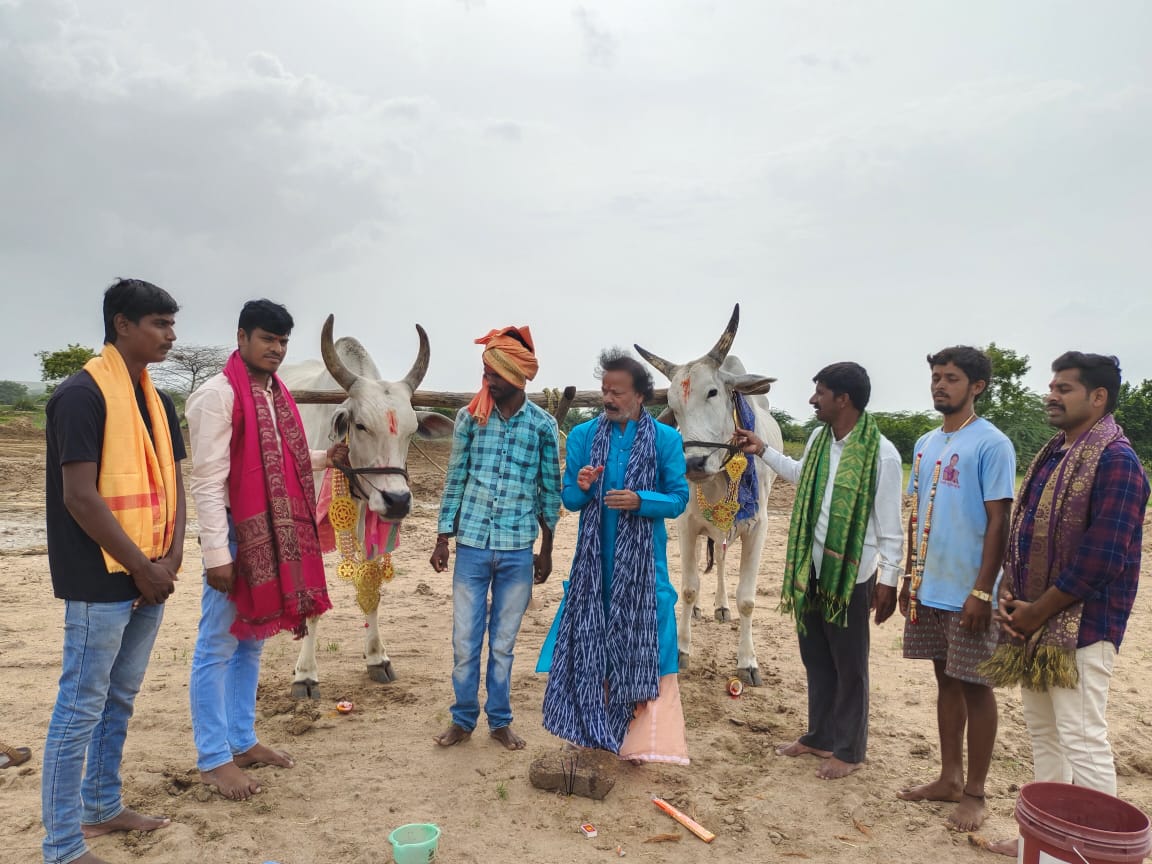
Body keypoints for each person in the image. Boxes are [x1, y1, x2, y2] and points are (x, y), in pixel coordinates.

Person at [42, 279, 185, 864]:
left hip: (150, 574)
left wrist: (171, 559)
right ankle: (62, 845)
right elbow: (81, 497)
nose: (171, 335)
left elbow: (171, 486)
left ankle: (101, 806)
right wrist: (142, 568)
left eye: (173, 324)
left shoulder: (158, 400)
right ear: (122, 325)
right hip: (99, 577)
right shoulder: (80, 396)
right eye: (159, 323)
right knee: (80, 708)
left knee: (118, 698)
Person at [984, 352, 1150, 857]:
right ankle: (1044, 844)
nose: (1051, 395)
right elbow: (1026, 532)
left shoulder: (1117, 460)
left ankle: (1099, 852)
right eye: (1051, 385)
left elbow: (1103, 557)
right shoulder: (1055, 452)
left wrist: (1037, 610)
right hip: (1033, 621)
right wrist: (1013, 595)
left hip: (1082, 626)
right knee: (1045, 735)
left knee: (1081, 738)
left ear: (1098, 398)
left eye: (1065, 388)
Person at [186, 299, 346, 800]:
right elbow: (210, 481)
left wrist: (326, 458)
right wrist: (218, 555)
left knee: (251, 640)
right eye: (267, 339)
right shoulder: (217, 396)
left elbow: (285, 459)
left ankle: (243, 739)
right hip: (238, 536)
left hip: (273, 536)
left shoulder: (276, 396)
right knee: (216, 644)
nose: (276, 349)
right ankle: (214, 758)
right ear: (241, 337)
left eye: (282, 342)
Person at [735, 362, 903, 779]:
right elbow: (799, 473)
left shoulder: (882, 454)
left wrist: (889, 581)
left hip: (851, 577)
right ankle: (820, 736)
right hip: (810, 569)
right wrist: (763, 449)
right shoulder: (818, 439)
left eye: (820, 392)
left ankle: (850, 750)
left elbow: (890, 529)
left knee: (850, 666)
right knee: (816, 658)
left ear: (842, 399)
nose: (813, 400)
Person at [539, 349, 691, 763]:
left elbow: (679, 498)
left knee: (647, 640)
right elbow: (569, 499)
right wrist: (584, 486)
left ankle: (638, 743)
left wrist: (640, 499)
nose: (609, 398)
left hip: (644, 570)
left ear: (641, 395)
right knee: (590, 640)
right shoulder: (585, 436)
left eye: (618, 392)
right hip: (593, 570)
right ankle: (588, 731)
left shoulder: (666, 440)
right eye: (605, 390)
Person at [896, 346, 1016, 831]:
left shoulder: (992, 444)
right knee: (944, 680)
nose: (939, 385)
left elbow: (999, 518)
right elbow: (916, 514)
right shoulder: (925, 442)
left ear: (977, 386)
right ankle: (948, 777)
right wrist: (909, 577)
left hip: (971, 590)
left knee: (976, 685)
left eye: (950, 378)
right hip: (929, 587)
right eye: (935, 377)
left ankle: (976, 793)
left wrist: (983, 590)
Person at [430, 325, 561, 751]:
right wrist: (442, 536)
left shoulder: (541, 426)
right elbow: (456, 478)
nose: (486, 381)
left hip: (517, 552)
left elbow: (549, 492)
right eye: (485, 372)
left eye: (494, 374)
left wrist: (547, 551)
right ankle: (463, 719)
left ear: (517, 378)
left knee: (503, 646)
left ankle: (500, 720)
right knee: (465, 643)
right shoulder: (471, 418)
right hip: (470, 545)